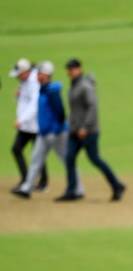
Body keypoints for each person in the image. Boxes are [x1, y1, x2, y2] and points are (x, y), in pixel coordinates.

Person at [12, 61, 84, 199]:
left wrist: (56, 130)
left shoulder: (52, 91)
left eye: (39, 73)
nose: (37, 76)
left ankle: (78, 189)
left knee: (67, 160)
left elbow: (60, 113)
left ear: (45, 75)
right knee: (35, 160)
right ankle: (26, 188)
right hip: (43, 133)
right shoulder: (42, 90)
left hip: (56, 133)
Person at [56, 58, 125, 202]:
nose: (70, 71)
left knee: (95, 159)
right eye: (69, 69)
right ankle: (72, 191)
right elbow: (75, 109)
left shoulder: (85, 86)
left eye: (73, 68)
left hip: (88, 131)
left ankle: (117, 185)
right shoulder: (74, 85)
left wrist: (85, 127)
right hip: (74, 131)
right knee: (69, 159)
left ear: (79, 69)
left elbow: (92, 108)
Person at [8, 58, 48, 193]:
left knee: (37, 153)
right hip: (26, 126)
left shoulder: (33, 82)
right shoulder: (24, 82)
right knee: (17, 149)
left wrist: (22, 119)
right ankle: (26, 179)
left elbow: (34, 105)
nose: (17, 77)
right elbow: (24, 101)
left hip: (35, 125)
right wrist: (18, 96)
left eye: (19, 74)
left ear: (25, 72)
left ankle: (42, 182)